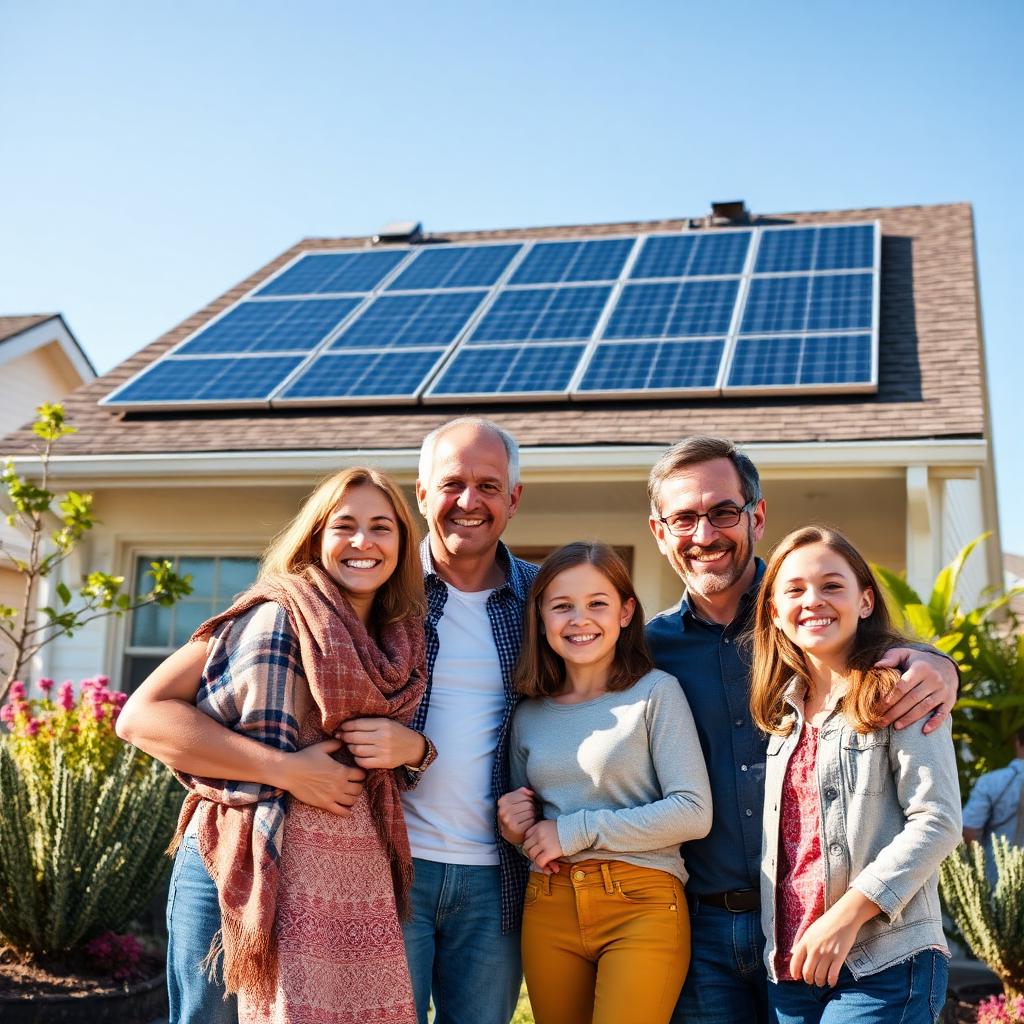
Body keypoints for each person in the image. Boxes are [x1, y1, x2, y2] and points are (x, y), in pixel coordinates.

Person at [643, 436, 961, 1024]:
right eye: (683, 518)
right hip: (706, 932)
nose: (704, 534)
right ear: (659, 533)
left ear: (757, 516)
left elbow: (931, 805)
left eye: (723, 512)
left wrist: (941, 666)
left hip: (852, 933)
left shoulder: (815, 624)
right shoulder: (644, 652)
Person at [117, 467, 433, 1024]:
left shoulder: (402, 640)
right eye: (344, 526)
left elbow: (400, 754)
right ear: (315, 537)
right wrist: (285, 770)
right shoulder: (273, 613)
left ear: (404, 545)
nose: (363, 541)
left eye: (382, 527)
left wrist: (413, 749)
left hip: (346, 876)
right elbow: (142, 717)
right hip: (236, 857)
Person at [750, 525, 961, 1023]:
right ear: (775, 613)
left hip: (885, 961)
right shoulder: (781, 716)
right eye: (795, 590)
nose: (813, 600)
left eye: (832, 585)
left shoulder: (902, 691)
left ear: (865, 601)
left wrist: (846, 917)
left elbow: (938, 820)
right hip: (793, 969)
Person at [498, 542, 712, 1024]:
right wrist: (515, 831)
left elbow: (693, 811)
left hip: (642, 902)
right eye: (562, 606)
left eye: (597, 603)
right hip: (549, 903)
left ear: (625, 612)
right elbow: (535, 830)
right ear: (540, 618)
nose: (580, 619)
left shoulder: (656, 693)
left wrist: (575, 831)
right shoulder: (528, 713)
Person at [400, 417, 537, 1024]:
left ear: (514, 498)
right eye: (452, 483)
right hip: (389, 866)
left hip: (497, 880)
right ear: (422, 493)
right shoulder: (380, 590)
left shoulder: (544, 600)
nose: (468, 501)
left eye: (488, 486)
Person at [962, 726, 1024, 875]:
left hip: (997, 875)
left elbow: (969, 830)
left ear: (1017, 743)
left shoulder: (991, 782)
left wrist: (980, 865)